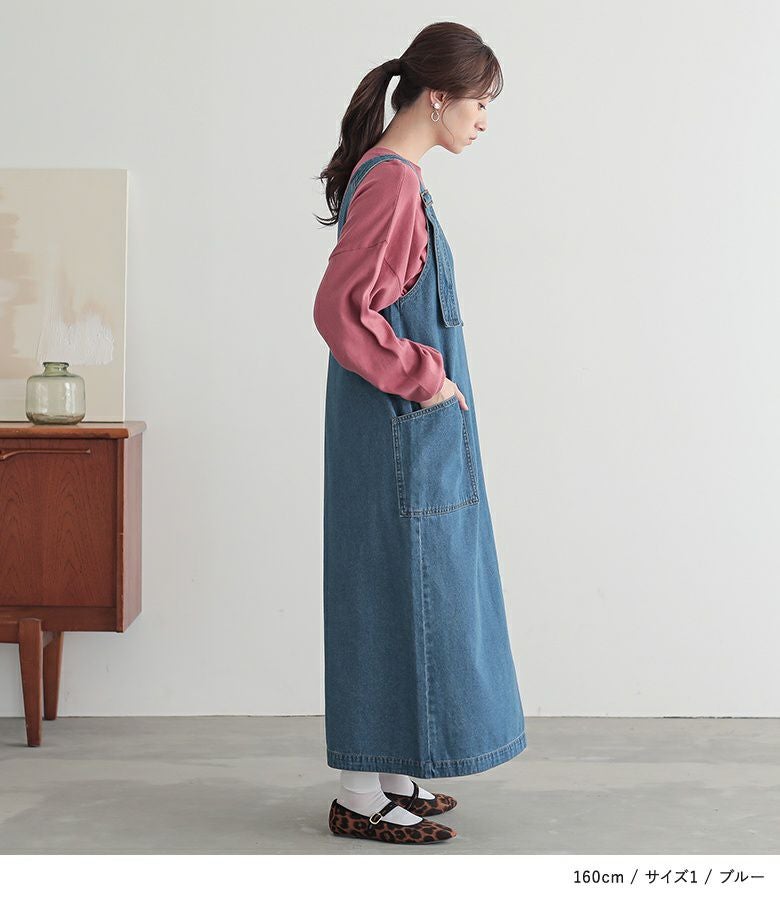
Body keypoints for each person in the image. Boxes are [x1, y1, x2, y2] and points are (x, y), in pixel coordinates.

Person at [313, 21, 527, 846]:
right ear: (438, 97)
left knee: (404, 589)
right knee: (386, 590)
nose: (484, 120)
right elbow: (341, 310)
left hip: (397, 431)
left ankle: (391, 771)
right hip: (395, 429)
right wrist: (427, 378)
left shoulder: (393, 176)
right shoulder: (393, 185)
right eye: (480, 103)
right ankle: (358, 793)